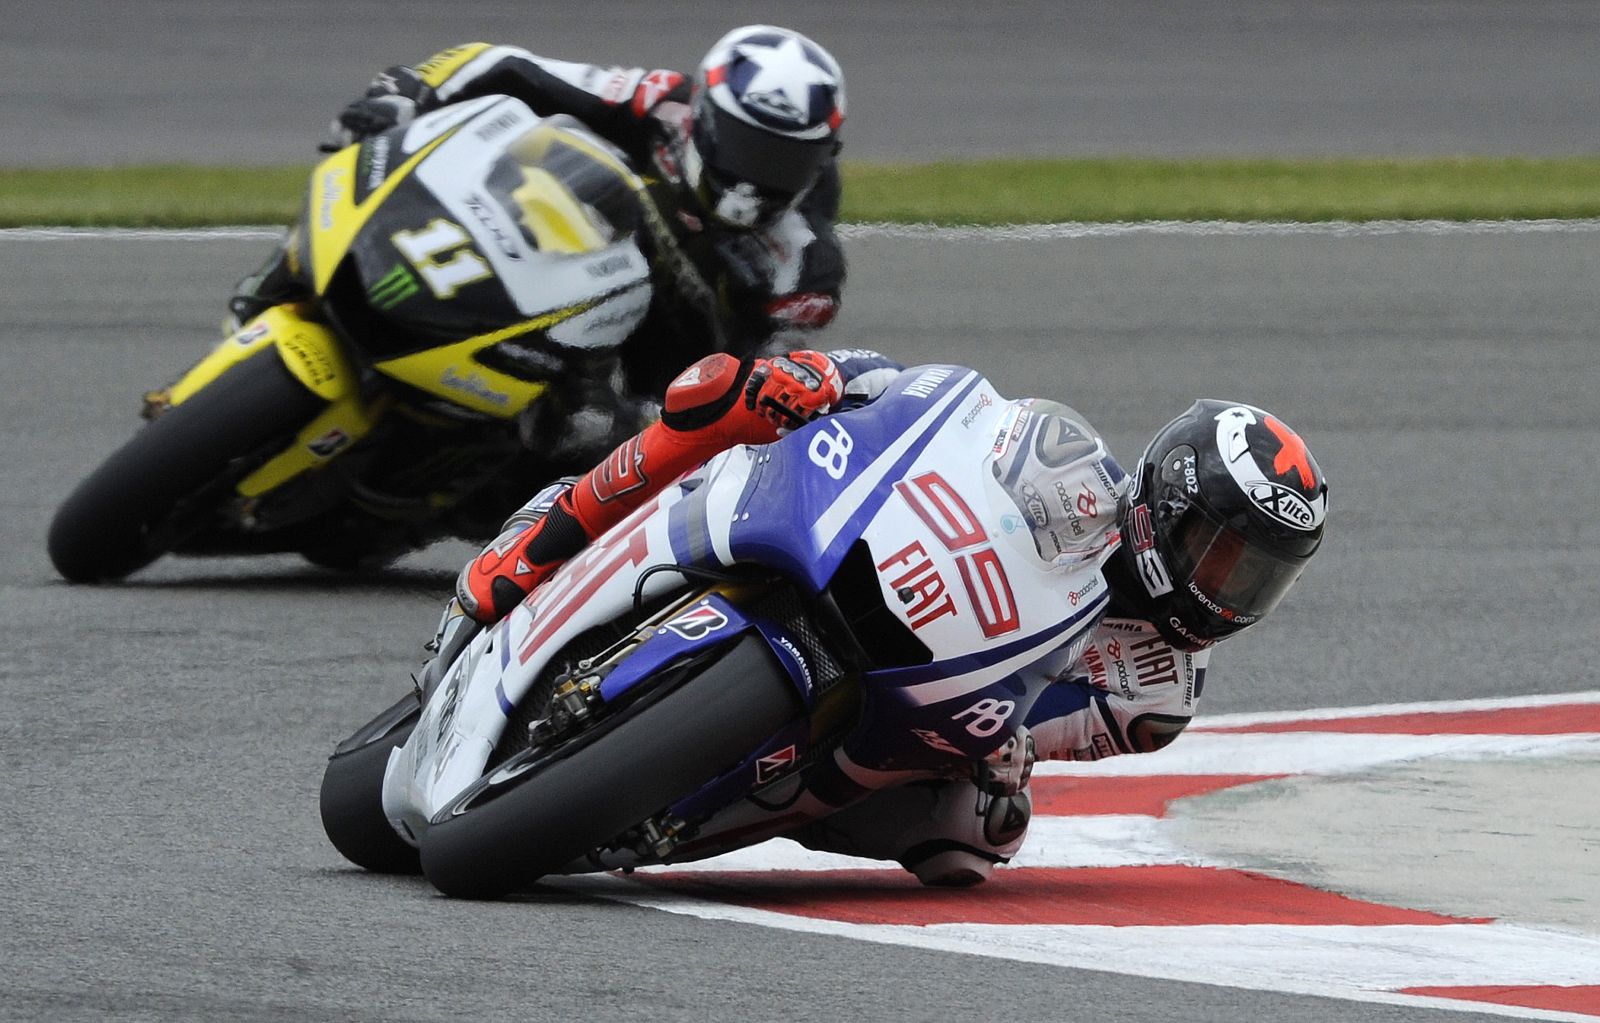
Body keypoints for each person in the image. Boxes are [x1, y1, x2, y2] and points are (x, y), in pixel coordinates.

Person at [450, 348, 1329, 887]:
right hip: (898, 573)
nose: (1229, 589)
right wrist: (832, 376)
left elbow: (1041, 732)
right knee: (731, 396)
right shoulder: (1071, 460)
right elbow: (940, 406)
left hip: (937, 707)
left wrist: (1011, 748)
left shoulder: (1158, 695)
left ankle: (681, 820)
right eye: (1221, 553)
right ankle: (545, 539)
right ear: (1163, 506)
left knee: (980, 833)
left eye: (1259, 578)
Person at [236, 25, 849, 401]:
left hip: (634, 379)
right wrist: (403, 94)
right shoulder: (660, 102)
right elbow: (502, 66)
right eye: (747, 146)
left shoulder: (807, 269)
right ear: (705, 116)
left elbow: (763, 389)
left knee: (591, 442)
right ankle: (270, 292)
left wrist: (676, 411)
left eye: (785, 159)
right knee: (385, 168)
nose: (755, 174)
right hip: (536, 249)